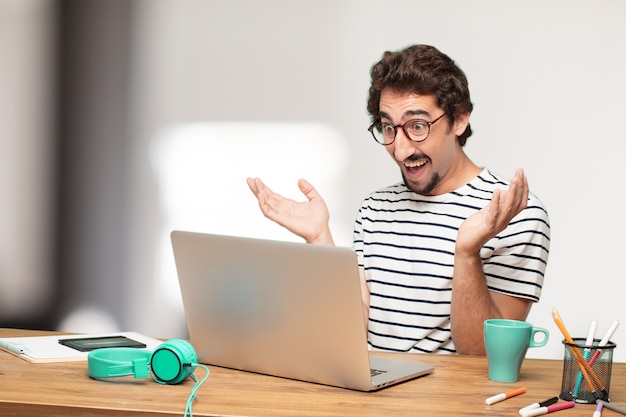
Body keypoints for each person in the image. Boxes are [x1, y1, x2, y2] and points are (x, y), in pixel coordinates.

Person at [246, 44, 550, 355]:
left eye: (417, 126)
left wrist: (467, 252)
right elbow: (351, 335)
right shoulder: (375, 209)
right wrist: (319, 239)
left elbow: (485, 357)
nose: (401, 150)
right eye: (389, 128)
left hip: (452, 403)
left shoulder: (516, 214)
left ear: (458, 120)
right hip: (372, 399)